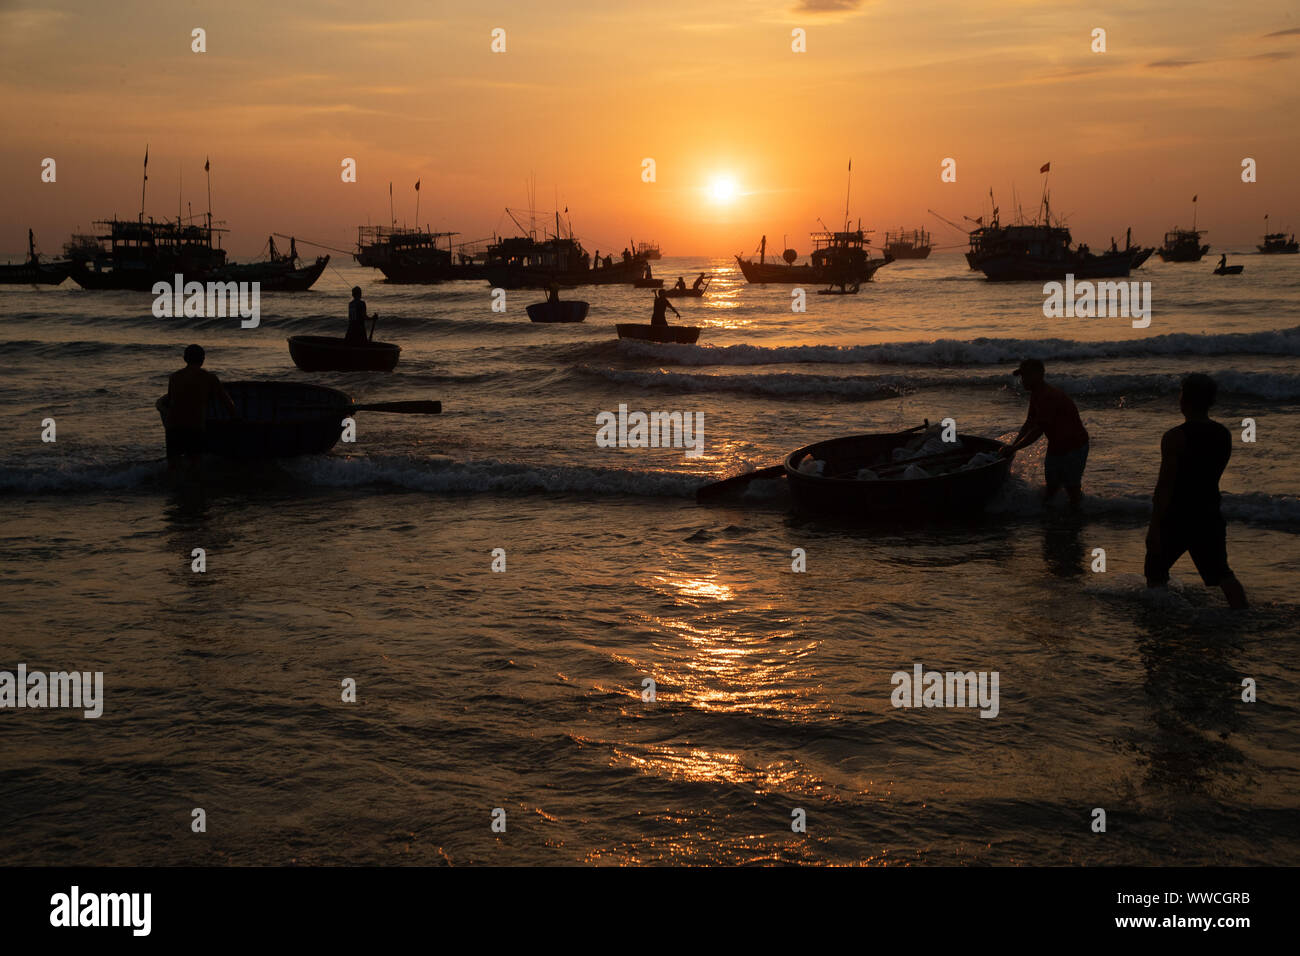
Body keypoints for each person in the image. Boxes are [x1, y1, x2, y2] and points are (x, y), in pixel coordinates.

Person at [1144, 374, 1247, 608]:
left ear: (1185, 400)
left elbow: (1165, 485)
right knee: (1223, 574)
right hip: (1209, 512)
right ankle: (1242, 615)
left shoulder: (1174, 437)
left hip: (1177, 515)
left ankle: (1161, 620)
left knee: (1155, 570)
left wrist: (1154, 527)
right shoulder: (1223, 434)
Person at [1002, 358, 1090, 507]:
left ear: (1038, 375)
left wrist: (1015, 448)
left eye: (1026, 376)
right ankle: (1052, 518)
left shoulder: (1048, 396)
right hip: (1056, 446)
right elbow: (1029, 423)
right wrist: (1013, 445)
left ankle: (1077, 519)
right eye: (1022, 377)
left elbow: (1038, 431)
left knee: (1072, 490)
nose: (1022, 381)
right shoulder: (1036, 394)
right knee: (1052, 488)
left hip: (1074, 446)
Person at [165, 344, 237, 471]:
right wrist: (236, 419)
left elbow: (170, 400)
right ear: (203, 359)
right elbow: (226, 402)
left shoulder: (174, 377)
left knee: (173, 465)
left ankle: (172, 488)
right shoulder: (209, 377)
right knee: (195, 463)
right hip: (194, 426)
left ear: (184, 359)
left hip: (172, 426)